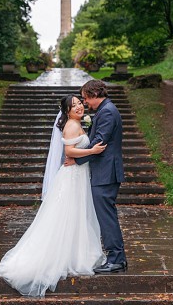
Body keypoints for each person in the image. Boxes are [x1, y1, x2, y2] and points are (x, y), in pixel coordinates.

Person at [0, 94, 107, 297]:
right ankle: (65, 255)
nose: (79, 107)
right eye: (74, 106)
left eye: (80, 103)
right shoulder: (72, 126)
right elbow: (69, 152)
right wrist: (92, 150)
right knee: (67, 215)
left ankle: (76, 252)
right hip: (72, 178)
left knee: (76, 215)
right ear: (67, 111)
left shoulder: (77, 123)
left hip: (79, 175)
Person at [65, 79, 127, 273]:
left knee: (106, 217)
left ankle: (116, 259)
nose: (84, 103)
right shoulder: (103, 110)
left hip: (106, 172)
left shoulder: (107, 111)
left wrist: (77, 160)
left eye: (85, 98)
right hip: (103, 171)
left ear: (93, 95)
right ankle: (117, 258)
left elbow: (100, 143)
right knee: (106, 216)